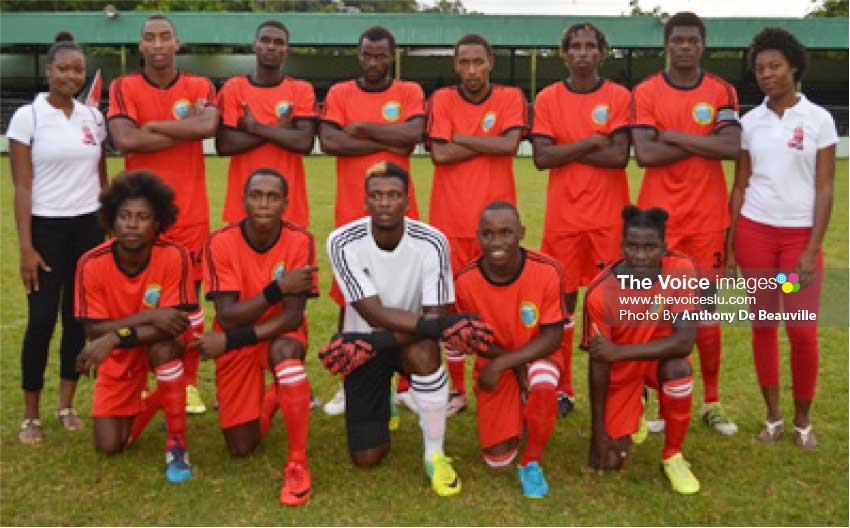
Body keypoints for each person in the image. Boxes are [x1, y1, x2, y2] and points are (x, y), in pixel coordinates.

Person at [320, 161, 494, 497]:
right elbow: (372, 312)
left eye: (394, 195)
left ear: (407, 200)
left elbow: (435, 312)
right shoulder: (342, 241)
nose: (385, 202)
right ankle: (383, 397)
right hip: (365, 342)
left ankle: (435, 454)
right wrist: (442, 326)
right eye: (377, 196)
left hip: (403, 343)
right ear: (365, 201)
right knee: (366, 458)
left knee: (426, 352)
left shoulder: (432, 241)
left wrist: (430, 327)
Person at [630, 11, 741, 435]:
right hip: (655, 225)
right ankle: (653, 400)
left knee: (706, 314)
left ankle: (712, 402)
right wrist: (702, 141)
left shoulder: (721, 90)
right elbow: (646, 154)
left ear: (702, 45)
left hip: (706, 219)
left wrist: (672, 135)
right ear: (667, 44)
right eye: (678, 40)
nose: (685, 46)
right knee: (649, 311)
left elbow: (730, 146)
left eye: (692, 40)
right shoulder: (646, 92)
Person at [727, 27, 836, 449]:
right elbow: (740, 186)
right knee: (763, 324)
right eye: (759, 69)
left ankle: (802, 421)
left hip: (797, 244)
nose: (767, 74)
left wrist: (811, 247)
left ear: (793, 66)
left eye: (774, 66)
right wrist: (734, 243)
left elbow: (825, 187)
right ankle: (772, 417)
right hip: (755, 236)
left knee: (802, 329)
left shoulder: (818, 119)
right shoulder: (749, 122)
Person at [107, 14, 219, 414]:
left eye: (165, 37)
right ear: (140, 46)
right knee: (137, 300)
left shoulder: (199, 86)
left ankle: (186, 383)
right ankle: (136, 380)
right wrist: (179, 126)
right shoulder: (123, 87)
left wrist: (153, 125)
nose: (157, 44)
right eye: (150, 38)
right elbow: (124, 139)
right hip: (136, 217)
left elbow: (207, 127)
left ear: (177, 43)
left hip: (188, 213)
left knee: (188, 303)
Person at [190, 167, 318, 504]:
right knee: (242, 447)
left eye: (273, 197)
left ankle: (297, 461)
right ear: (243, 200)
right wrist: (278, 288)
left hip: (278, 335)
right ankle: (277, 395)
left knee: (287, 355)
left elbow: (292, 317)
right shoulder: (220, 241)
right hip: (238, 337)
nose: (264, 203)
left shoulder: (300, 241)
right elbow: (228, 317)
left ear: (285, 203)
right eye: (256, 195)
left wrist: (234, 338)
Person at [318, 25, 425, 416]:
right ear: (359, 55)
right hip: (353, 214)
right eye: (368, 55)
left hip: (401, 216)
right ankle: (350, 384)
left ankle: (408, 384)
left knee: (406, 297)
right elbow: (330, 142)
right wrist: (388, 138)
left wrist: (361, 128)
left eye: (382, 55)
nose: (375, 62)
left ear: (392, 57)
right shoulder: (340, 94)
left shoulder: (409, 92)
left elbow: (412, 134)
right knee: (350, 300)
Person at [8, 32, 107, 444]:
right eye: (63, 68)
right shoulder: (27, 117)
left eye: (78, 69)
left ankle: (67, 404)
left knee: (77, 320)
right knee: (42, 320)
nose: (71, 75)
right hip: (46, 229)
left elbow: (102, 179)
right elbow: (22, 187)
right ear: (50, 70)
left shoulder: (93, 117)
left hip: (88, 228)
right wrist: (26, 247)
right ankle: (31, 414)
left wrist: (108, 231)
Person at [531, 23, 631, 419]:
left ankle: (624, 387)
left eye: (591, 46)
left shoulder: (619, 96)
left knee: (615, 303)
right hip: (565, 218)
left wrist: (565, 149)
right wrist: (592, 141)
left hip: (609, 217)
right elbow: (541, 158)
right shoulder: (549, 98)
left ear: (602, 53)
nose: (583, 52)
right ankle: (563, 388)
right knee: (563, 305)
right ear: (566, 53)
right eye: (576, 46)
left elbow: (619, 156)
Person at [427, 33, 528, 415]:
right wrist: (489, 138)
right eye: (464, 63)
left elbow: (509, 146)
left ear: (490, 63)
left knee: (502, 304)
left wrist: (463, 138)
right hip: (451, 221)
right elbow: (439, 154)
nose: (471, 70)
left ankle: (508, 375)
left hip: (498, 227)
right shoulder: (441, 100)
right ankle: (457, 389)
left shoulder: (510, 98)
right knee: (452, 308)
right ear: (455, 66)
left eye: (478, 62)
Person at [74, 170, 196, 484]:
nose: (132, 223)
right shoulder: (91, 263)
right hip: (120, 355)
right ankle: (158, 399)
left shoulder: (174, 255)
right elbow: (92, 331)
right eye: (124, 215)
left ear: (158, 224)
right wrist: (149, 316)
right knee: (111, 446)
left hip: (161, 345)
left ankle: (177, 443)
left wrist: (115, 334)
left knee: (164, 346)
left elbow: (173, 325)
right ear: (111, 219)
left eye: (143, 217)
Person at [583, 205, 700, 494]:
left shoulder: (682, 269)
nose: (641, 255)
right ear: (621, 245)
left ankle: (672, 455)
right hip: (620, 372)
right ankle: (635, 404)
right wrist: (597, 434)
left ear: (665, 247)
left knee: (679, 368)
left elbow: (684, 342)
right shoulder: (600, 292)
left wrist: (619, 352)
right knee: (610, 462)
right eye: (633, 246)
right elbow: (598, 363)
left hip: (654, 360)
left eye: (650, 247)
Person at [454, 201, 565, 498]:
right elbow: (472, 339)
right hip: (494, 360)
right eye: (488, 234)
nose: (497, 242)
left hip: (538, 354)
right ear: (478, 237)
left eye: (506, 233)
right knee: (497, 459)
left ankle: (531, 462)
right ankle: (521, 412)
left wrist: (506, 364)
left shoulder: (547, 270)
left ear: (521, 233)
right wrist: (507, 364)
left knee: (541, 380)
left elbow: (553, 337)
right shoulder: (465, 281)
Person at [216, 20, 316, 228]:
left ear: (286, 50)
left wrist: (255, 127)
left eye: (278, 42)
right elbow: (225, 144)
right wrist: (279, 131)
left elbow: (304, 143)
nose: (271, 46)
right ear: (255, 45)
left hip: (289, 205)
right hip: (242, 203)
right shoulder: (234, 87)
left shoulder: (301, 89)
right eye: (265, 40)